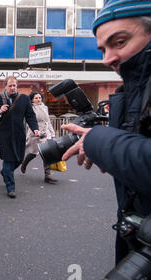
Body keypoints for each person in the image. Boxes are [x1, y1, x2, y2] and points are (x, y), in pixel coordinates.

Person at [61, 0, 151, 265]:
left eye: (120, 42)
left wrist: (98, 141)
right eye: (103, 49)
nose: (107, 58)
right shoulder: (128, 94)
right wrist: (113, 155)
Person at [0, 76, 39, 198]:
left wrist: (35, 128)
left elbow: (30, 115)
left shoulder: (24, 99)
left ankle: (5, 172)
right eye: (10, 85)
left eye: (14, 85)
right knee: (9, 160)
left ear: (17, 86)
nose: (12, 88)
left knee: (19, 159)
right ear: (5, 86)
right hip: (3, 135)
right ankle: (10, 187)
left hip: (19, 134)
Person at [21, 91, 58, 184]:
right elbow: (30, 120)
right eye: (36, 98)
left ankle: (47, 175)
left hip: (46, 133)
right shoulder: (30, 108)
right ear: (32, 100)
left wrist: (52, 133)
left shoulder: (45, 107)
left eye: (39, 98)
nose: (38, 100)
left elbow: (48, 121)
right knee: (33, 153)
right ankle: (24, 163)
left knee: (47, 153)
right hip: (35, 133)